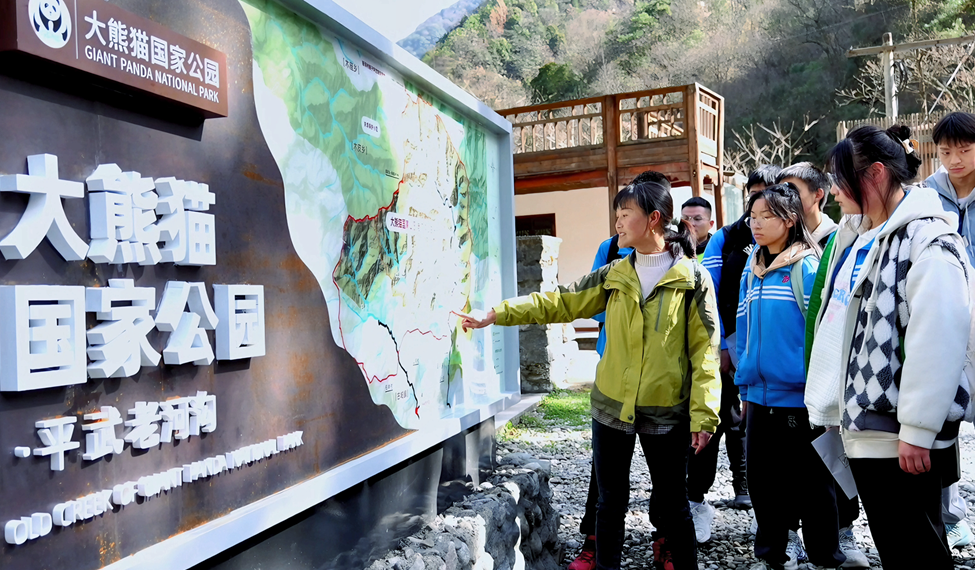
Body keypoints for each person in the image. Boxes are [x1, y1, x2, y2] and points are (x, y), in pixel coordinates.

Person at [460, 179, 722, 570]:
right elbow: (560, 302)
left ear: (653, 219)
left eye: (625, 214)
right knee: (610, 503)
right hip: (611, 409)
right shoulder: (614, 274)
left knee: (674, 505)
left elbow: (705, 353)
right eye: (617, 215)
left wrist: (704, 415)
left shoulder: (693, 280)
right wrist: (497, 314)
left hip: (667, 411)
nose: (618, 223)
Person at [806, 125, 974, 570]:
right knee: (896, 546)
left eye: (841, 179)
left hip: (900, 433)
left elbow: (938, 338)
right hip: (866, 424)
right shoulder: (857, 235)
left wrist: (918, 429)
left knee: (915, 551)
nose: (834, 191)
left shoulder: (926, 240)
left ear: (876, 174)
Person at [735, 183, 845, 570]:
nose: (756, 224)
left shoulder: (807, 268)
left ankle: (825, 557)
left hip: (801, 399)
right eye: (753, 216)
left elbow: (825, 333)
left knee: (813, 483)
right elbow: (744, 330)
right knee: (764, 483)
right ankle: (772, 555)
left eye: (766, 216)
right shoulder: (752, 270)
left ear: (790, 220)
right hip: (758, 397)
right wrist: (744, 386)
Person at [778, 162, 869, 568]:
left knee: (832, 455)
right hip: (787, 380)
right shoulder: (773, 244)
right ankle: (791, 536)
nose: (784, 200)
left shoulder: (839, 238)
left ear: (818, 195)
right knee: (790, 463)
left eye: (793, 191)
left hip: (830, 370)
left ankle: (844, 531)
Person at [694, 165, 780, 544]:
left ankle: (769, 511)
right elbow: (709, 293)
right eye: (754, 196)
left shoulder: (798, 243)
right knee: (711, 420)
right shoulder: (727, 238)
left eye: (768, 194)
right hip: (726, 348)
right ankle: (696, 499)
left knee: (757, 431)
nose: (759, 205)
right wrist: (723, 345)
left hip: (773, 360)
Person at [925, 111, 975, 550]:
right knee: (941, 422)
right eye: (945, 151)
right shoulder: (927, 195)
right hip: (943, 319)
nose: (955, 159)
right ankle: (950, 516)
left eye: (965, 149)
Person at [776, 163, 838, 249]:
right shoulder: (774, 237)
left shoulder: (838, 241)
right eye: (780, 192)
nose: (783, 198)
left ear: (818, 195)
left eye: (792, 190)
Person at [681, 197, 714, 261]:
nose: (691, 223)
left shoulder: (719, 251)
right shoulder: (672, 251)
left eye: (697, 219)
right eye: (686, 219)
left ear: (710, 224)